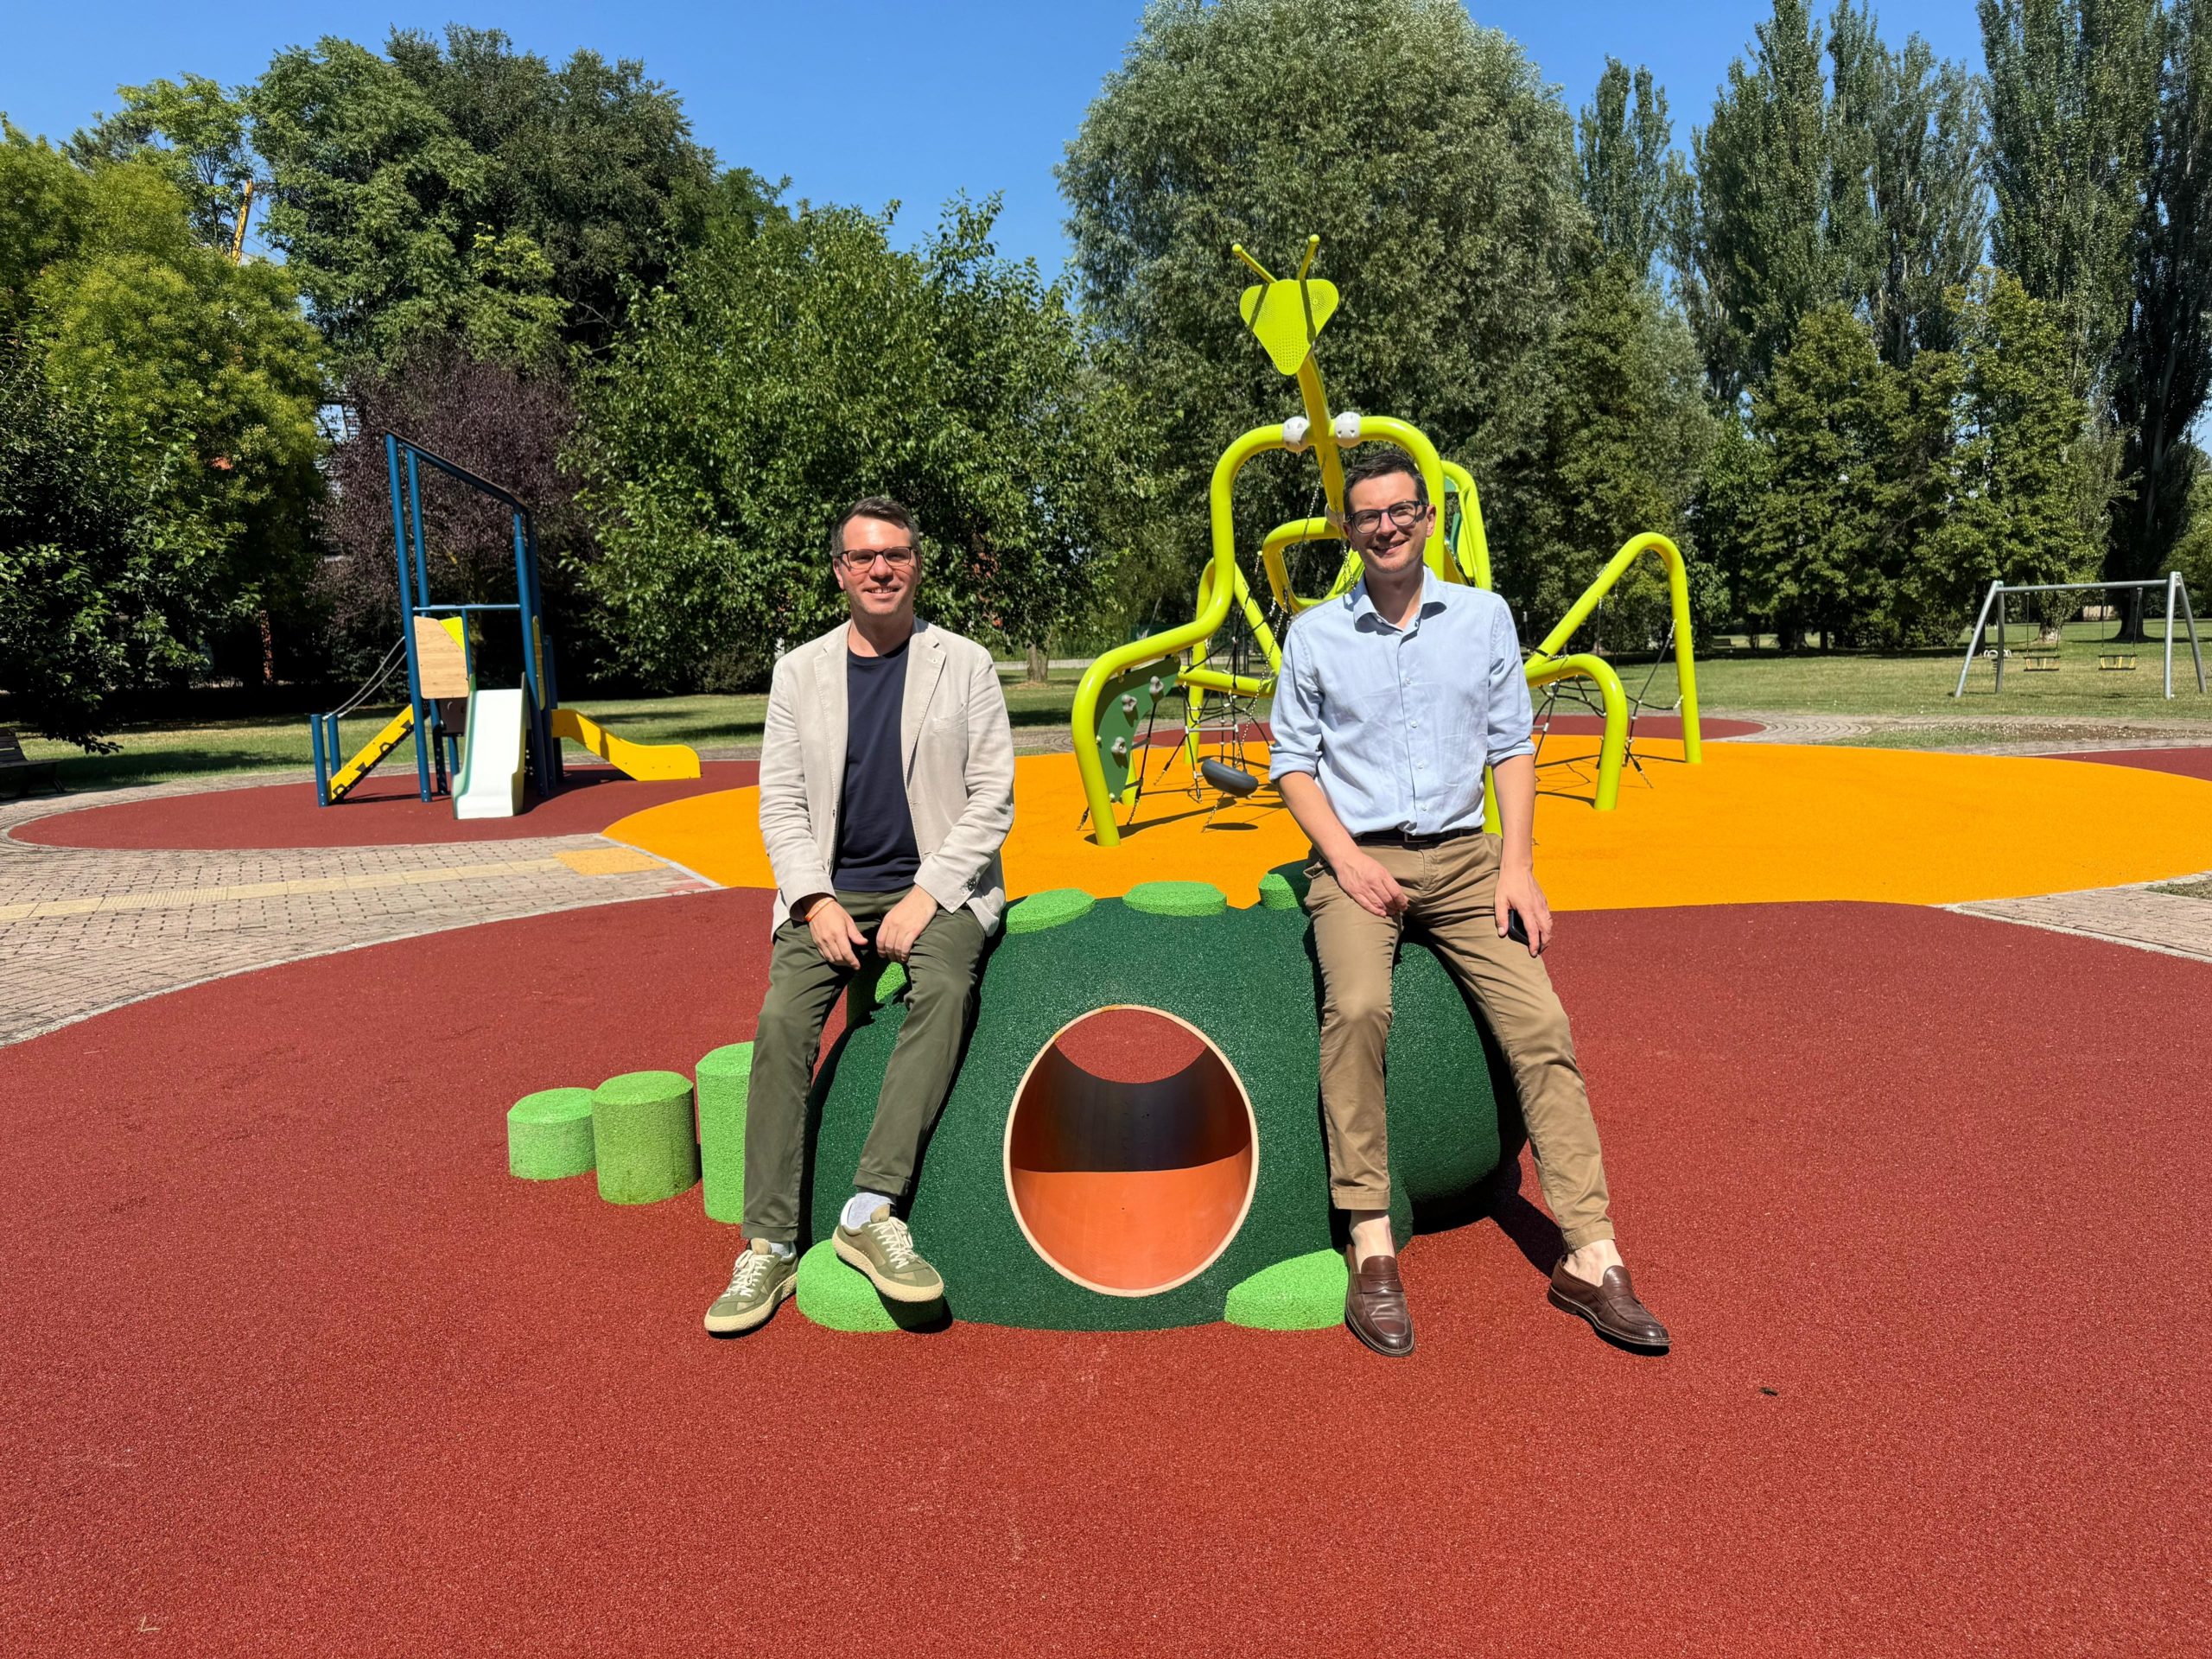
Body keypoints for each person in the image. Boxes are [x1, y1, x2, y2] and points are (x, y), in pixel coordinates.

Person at [1268, 448, 1670, 1358]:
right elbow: (1291, 763)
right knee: (1358, 1007)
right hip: (1360, 859)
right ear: (1348, 531)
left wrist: (1516, 865)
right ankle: (1370, 1235)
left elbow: (1510, 745)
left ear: (1426, 516)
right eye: (1367, 516)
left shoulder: (1482, 617)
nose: (1386, 526)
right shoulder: (1317, 635)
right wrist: (1345, 862)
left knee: (1542, 1026)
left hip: (1462, 858)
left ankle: (1591, 1252)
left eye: (1401, 510)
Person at [704, 496, 1015, 1334]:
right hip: (830, 891)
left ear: (917, 563)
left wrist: (926, 894)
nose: (881, 569)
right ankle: (769, 1243)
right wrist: (813, 900)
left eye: (895, 554)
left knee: (944, 988)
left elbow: (992, 797)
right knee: (780, 1022)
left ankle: (869, 1210)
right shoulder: (800, 672)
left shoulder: (965, 663)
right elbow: (780, 804)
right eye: (863, 557)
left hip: (938, 886)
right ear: (840, 571)